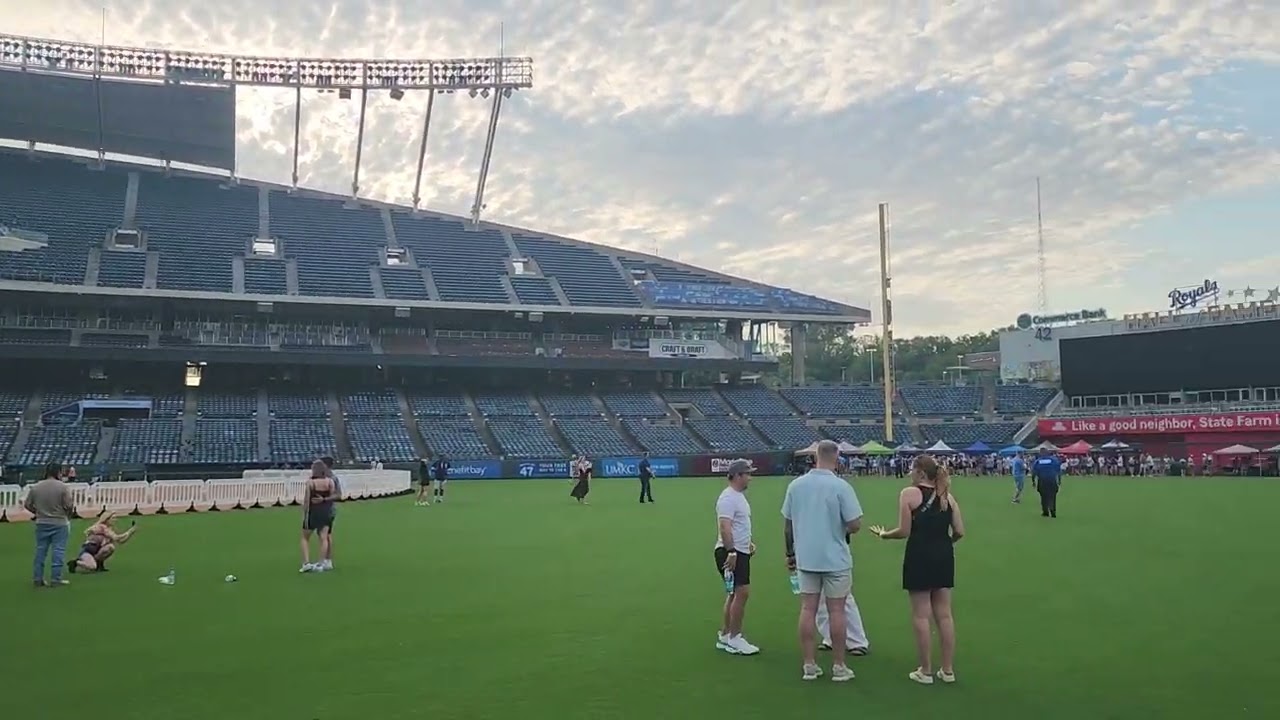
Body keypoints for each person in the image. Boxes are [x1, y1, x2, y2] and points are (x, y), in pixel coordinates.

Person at [870, 454, 965, 684]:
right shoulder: (948, 497)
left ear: (921, 472)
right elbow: (959, 531)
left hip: (919, 555)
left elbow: (904, 530)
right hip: (944, 556)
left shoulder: (908, 494)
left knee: (921, 614)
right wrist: (943, 545)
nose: (910, 474)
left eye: (912, 470)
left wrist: (884, 535)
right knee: (944, 614)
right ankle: (948, 670)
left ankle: (925, 670)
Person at [782, 439, 862, 682]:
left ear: (815, 456)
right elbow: (855, 524)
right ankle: (838, 666)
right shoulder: (841, 486)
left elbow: (788, 526)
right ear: (836, 458)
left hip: (806, 557)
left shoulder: (795, 485)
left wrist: (790, 554)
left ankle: (809, 664)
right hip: (835, 558)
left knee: (808, 609)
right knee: (837, 610)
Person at [714, 458, 760, 656]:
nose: (750, 478)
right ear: (739, 475)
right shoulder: (728, 498)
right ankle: (735, 637)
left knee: (734, 593)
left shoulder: (737, 497)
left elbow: (737, 526)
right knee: (742, 593)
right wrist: (732, 551)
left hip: (739, 550)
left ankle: (726, 635)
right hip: (731, 553)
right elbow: (725, 527)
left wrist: (747, 542)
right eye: (748, 474)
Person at [24, 461, 77, 588]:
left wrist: (37, 513)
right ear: (58, 472)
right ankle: (56, 578)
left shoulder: (36, 487)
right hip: (59, 522)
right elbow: (69, 505)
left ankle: (38, 578)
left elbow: (27, 505)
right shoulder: (62, 487)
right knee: (58, 550)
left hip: (42, 522)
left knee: (40, 551)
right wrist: (67, 515)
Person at [300, 460, 338, 573]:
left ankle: (306, 563)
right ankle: (321, 563)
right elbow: (332, 496)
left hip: (313, 512)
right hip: (325, 511)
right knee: (323, 537)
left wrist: (305, 512)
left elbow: (306, 500)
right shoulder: (330, 481)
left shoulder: (310, 483)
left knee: (305, 538)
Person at [70, 511, 137, 573]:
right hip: (88, 551)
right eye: (113, 518)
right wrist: (129, 532)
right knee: (92, 567)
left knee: (110, 547)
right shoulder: (101, 527)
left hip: (97, 550)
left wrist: (130, 534)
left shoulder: (109, 529)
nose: (115, 520)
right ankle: (76, 562)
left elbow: (120, 541)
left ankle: (99, 562)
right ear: (106, 519)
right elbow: (117, 537)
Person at [318, 456, 342, 571]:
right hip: (320, 509)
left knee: (324, 535)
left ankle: (324, 561)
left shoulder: (332, 478)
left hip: (328, 509)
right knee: (326, 535)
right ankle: (327, 561)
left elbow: (338, 495)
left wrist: (324, 499)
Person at [1032, 448, 1063, 518]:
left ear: (1040, 453)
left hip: (1042, 480)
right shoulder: (1054, 460)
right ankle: (1052, 509)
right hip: (1052, 480)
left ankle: (1045, 511)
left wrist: (1033, 481)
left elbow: (1034, 472)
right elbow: (1059, 471)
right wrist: (1059, 481)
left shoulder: (1038, 461)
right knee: (1052, 496)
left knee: (1043, 496)